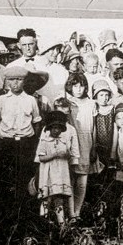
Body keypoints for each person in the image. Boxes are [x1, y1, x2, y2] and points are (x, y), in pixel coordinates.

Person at [0, 62, 42, 215]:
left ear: (24, 81)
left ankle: (23, 209)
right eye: (12, 80)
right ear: (7, 81)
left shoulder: (31, 100)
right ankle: (7, 210)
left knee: (24, 176)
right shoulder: (1, 100)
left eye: (19, 80)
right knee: (6, 176)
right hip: (7, 143)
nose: (15, 83)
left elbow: (37, 122)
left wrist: (34, 142)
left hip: (26, 143)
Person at [36, 110, 79, 225]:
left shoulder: (63, 140)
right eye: (54, 128)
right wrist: (54, 154)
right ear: (49, 128)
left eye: (59, 128)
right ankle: (43, 220)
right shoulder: (45, 141)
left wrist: (67, 155)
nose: (56, 130)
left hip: (61, 173)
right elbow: (41, 158)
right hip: (49, 173)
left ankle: (61, 223)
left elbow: (69, 154)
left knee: (59, 197)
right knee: (47, 197)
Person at [63, 73, 97, 219]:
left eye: (81, 86)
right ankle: (70, 212)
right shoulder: (67, 103)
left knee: (82, 181)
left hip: (87, 142)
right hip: (72, 142)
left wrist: (94, 146)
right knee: (70, 179)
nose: (78, 89)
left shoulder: (91, 103)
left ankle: (77, 212)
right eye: (75, 86)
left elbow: (94, 126)